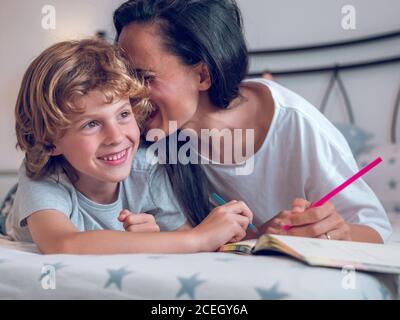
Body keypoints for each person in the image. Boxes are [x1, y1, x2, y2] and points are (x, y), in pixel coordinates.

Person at [113, 0, 392, 243]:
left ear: (202, 76)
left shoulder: (297, 125)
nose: (129, 92)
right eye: (123, 77)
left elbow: (376, 229)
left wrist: (336, 234)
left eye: (145, 78)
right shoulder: (141, 136)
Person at [4, 38, 253, 254]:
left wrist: (161, 238)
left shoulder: (147, 166)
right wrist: (198, 239)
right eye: (91, 124)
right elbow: (63, 245)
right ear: (49, 142)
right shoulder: (44, 175)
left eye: (123, 114)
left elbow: (180, 233)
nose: (115, 136)